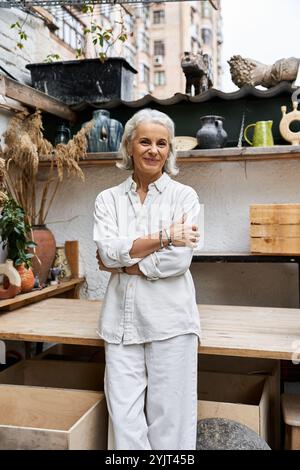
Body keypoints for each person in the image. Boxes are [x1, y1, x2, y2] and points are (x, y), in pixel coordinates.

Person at [93, 108, 201, 450]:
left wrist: (126, 264)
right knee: (124, 425)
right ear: (129, 146)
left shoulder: (185, 197)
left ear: (169, 151)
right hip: (120, 325)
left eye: (161, 143)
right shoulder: (107, 199)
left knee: (170, 424)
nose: (153, 150)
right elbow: (106, 253)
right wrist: (166, 236)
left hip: (171, 322)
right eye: (144, 141)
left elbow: (178, 260)